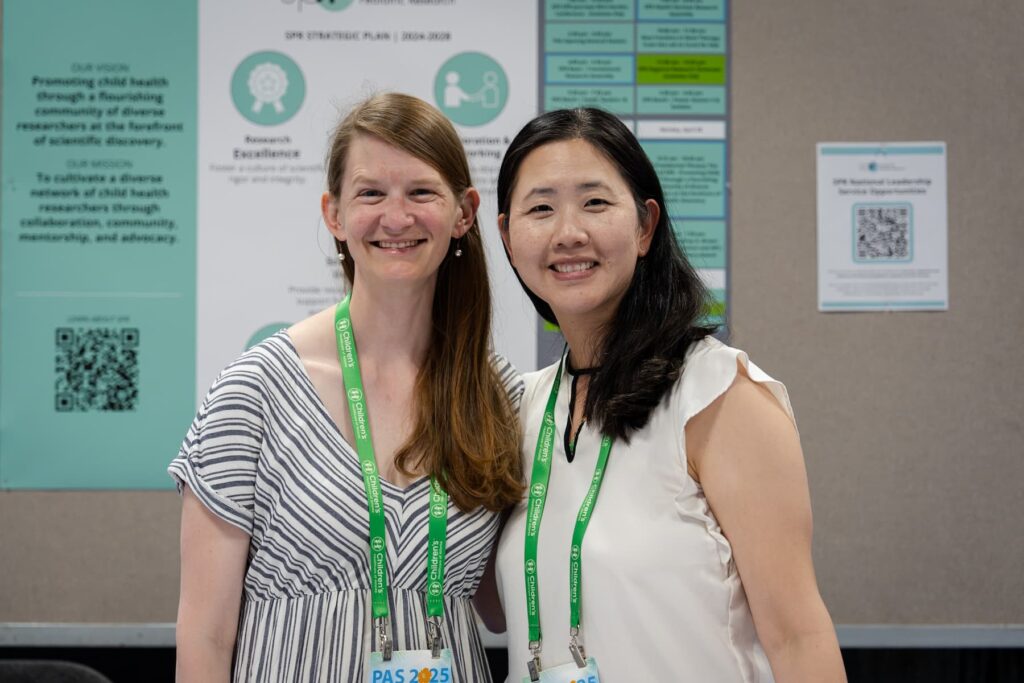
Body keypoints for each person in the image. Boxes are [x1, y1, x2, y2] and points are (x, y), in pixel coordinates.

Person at [169, 92, 523, 682]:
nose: (397, 217)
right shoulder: (255, 391)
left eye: (421, 192)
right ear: (334, 215)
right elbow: (204, 636)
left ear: (464, 213)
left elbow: (500, 601)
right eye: (371, 193)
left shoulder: (499, 397)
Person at [492, 108, 847, 682]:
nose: (568, 232)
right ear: (508, 238)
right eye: (540, 208)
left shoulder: (717, 395)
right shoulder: (521, 409)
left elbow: (799, 637)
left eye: (595, 202)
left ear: (645, 226)